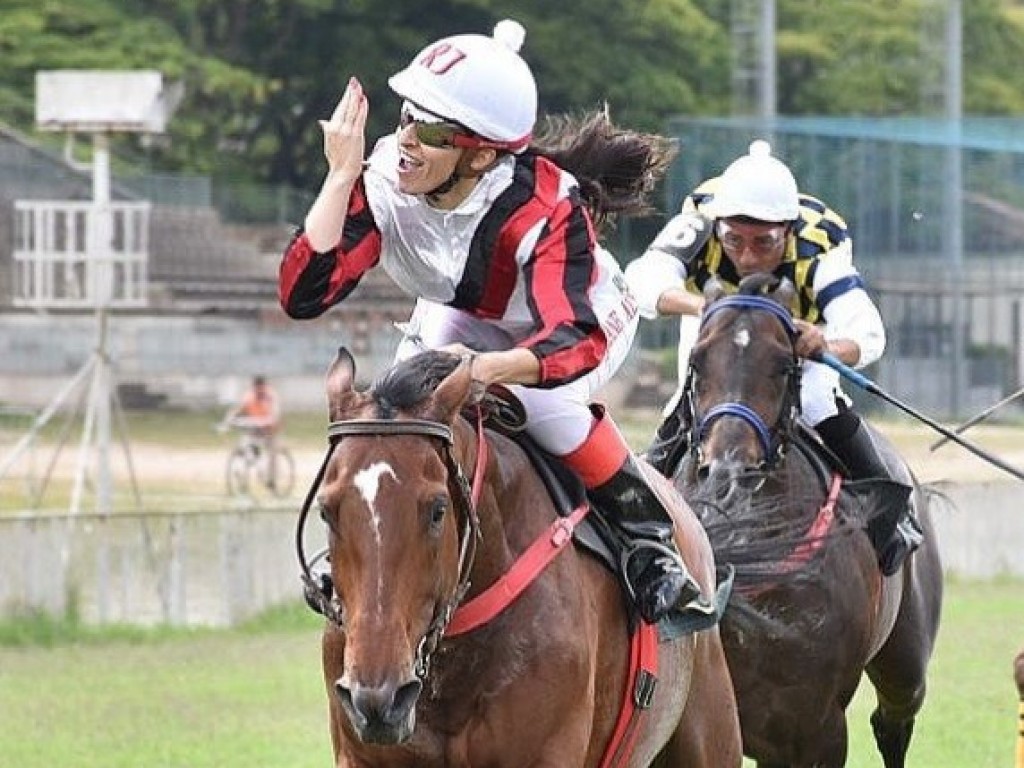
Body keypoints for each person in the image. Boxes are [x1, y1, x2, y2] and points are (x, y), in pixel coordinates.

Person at [277, 19, 702, 624]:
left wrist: (485, 370)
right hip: (460, 310)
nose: (405, 139)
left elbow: (571, 338)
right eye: (404, 116)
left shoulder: (547, 207)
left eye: (428, 130)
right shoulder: (381, 182)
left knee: (546, 411)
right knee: (394, 419)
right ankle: (372, 552)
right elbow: (303, 293)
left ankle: (651, 544)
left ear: (480, 154)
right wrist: (340, 174)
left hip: (576, 322)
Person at [624, 139, 922, 574]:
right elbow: (640, 281)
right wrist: (702, 307)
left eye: (763, 243)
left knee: (819, 401)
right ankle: (641, 521)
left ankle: (891, 518)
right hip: (719, 323)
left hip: (797, 330)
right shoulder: (699, 224)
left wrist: (825, 344)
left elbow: (868, 332)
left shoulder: (818, 248)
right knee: (683, 406)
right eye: (734, 240)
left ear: (787, 230)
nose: (747, 256)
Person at [222, 375, 282, 486]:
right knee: (245, 443)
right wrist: (229, 419)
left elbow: (275, 414)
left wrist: (268, 423)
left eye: (260, 387)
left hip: (269, 430)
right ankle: (241, 468)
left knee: (273, 452)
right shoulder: (249, 396)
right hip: (255, 428)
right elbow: (239, 408)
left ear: (264, 386)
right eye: (256, 388)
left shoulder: (270, 396)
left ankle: (271, 479)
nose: (258, 390)